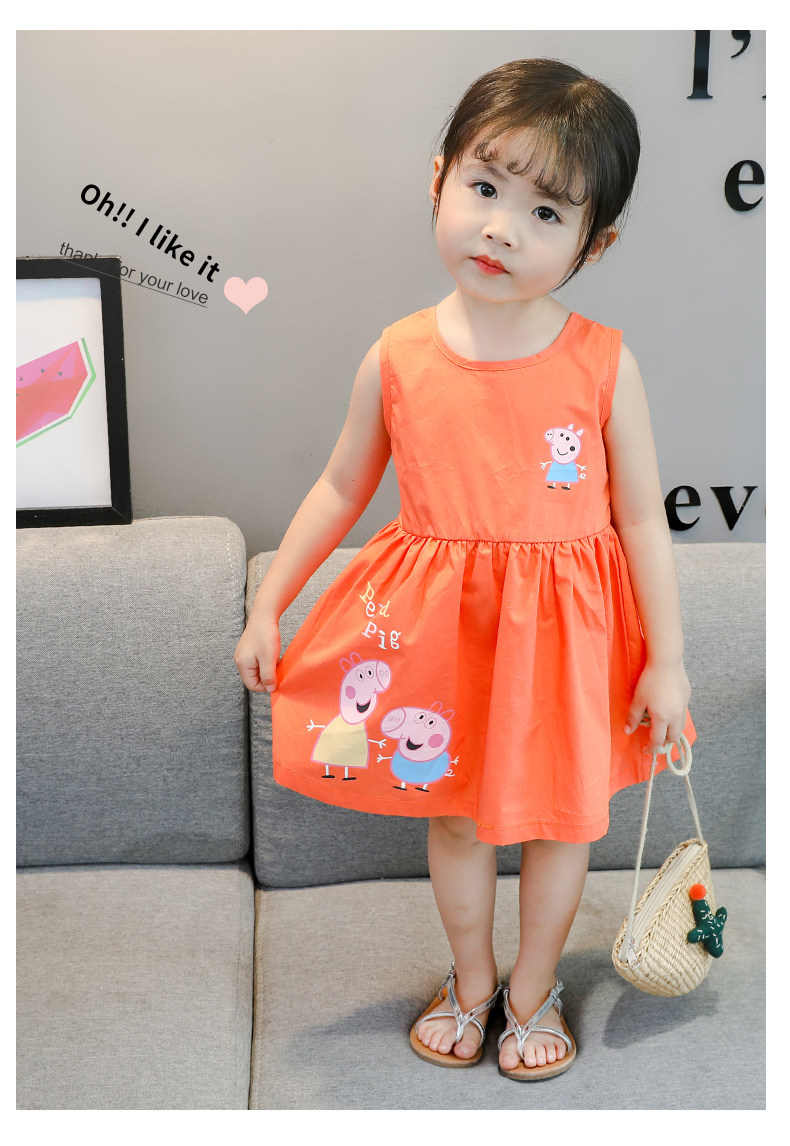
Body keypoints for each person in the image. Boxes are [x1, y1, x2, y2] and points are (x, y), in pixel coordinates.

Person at [234, 57, 695, 1081]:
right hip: (444, 637)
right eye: (484, 188)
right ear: (438, 179)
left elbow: (640, 520)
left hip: (566, 640)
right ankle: (473, 981)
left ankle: (534, 991)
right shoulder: (397, 354)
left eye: (545, 213)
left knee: (561, 822)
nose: (501, 228)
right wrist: (270, 605)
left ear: (594, 243)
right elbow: (338, 488)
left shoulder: (603, 363)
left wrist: (667, 661)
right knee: (454, 815)